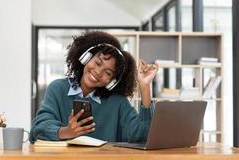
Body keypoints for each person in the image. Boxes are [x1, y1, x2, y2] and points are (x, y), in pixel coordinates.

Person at [29, 31, 158, 143]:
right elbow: (37, 130)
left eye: (108, 73)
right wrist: (67, 132)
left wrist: (145, 86)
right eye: (97, 62)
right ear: (86, 57)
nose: (98, 72)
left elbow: (143, 135)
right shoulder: (57, 89)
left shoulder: (117, 102)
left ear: (112, 81)